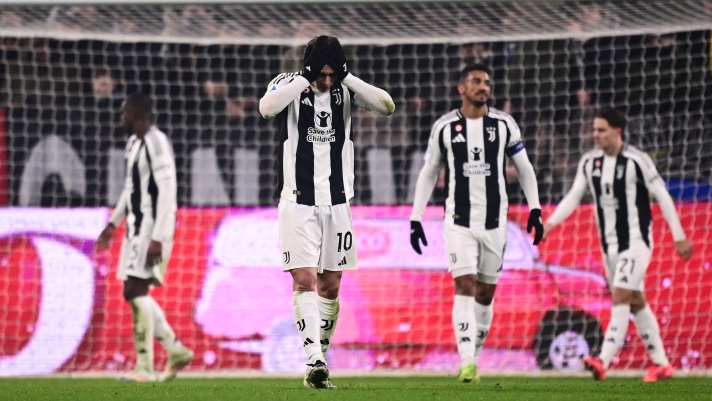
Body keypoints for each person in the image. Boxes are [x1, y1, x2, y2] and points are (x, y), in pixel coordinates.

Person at [259, 35, 394, 389]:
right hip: (297, 200)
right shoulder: (288, 84)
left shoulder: (345, 89)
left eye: (334, 73)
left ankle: (316, 365)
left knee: (330, 286)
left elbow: (387, 106)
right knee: (303, 280)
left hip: (337, 203)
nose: (328, 80)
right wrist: (305, 78)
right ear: (310, 67)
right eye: (324, 73)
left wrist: (346, 76)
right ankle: (315, 359)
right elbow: (267, 108)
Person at [409, 63, 544, 383]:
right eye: (476, 81)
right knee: (465, 285)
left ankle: (473, 355)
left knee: (485, 294)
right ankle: (467, 361)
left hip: (495, 221)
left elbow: (523, 168)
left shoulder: (504, 124)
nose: (483, 87)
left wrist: (536, 209)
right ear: (462, 88)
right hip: (458, 220)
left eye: (486, 82)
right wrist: (416, 217)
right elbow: (429, 171)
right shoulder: (444, 127)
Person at [542, 108, 693, 382]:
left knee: (621, 296)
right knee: (636, 302)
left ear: (617, 131)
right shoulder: (590, 162)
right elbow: (574, 196)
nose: (595, 135)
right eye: (594, 129)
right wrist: (549, 224)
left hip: (636, 242)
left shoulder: (637, 160)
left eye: (601, 130)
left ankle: (602, 360)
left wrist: (679, 235)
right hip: (608, 247)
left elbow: (663, 196)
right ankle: (662, 365)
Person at [95, 93, 194, 382]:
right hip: (136, 228)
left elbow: (168, 191)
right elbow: (130, 188)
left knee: (135, 291)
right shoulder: (133, 143)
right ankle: (174, 351)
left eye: (124, 112)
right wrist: (113, 224)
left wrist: (159, 237)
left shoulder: (156, 141)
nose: (120, 117)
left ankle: (145, 367)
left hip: (152, 229)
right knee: (133, 291)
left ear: (138, 114)